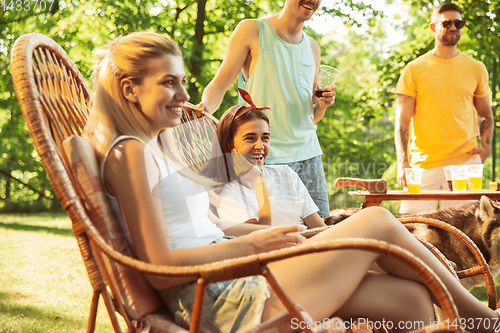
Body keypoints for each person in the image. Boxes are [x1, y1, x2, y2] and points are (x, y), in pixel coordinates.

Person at [83, 31, 500, 333]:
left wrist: (276, 235)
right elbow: (158, 270)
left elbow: (195, 231)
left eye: (183, 81)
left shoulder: (152, 148)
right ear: (129, 89)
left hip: (235, 269)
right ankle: (486, 321)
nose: (182, 93)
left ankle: (467, 316)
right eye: (168, 82)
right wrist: (251, 245)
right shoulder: (130, 152)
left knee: (412, 305)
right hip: (218, 296)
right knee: (376, 223)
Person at [198, 0, 335, 218]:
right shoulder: (252, 30)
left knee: (323, 232)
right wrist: (204, 108)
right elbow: (219, 84)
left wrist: (323, 104)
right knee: (276, 234)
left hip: (309, 157)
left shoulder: (312, 47)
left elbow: (313, 116)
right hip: (265, 155)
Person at [395, 2, 493, 214]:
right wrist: (403, 161)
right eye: (446, 23)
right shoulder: (414, 69)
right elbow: (402, 121)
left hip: (465, 164)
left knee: (464, 235)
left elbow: (485, 114)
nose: (453, 28)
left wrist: (486, 147)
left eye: (458, 23)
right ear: (433, 27)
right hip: (423, 165)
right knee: (412, 228)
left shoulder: (476, 68)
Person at [202, 88, 327, 230]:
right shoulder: (225, 193)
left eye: (265, 138)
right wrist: (258, 181)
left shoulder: (285, 173)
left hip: (314, 243)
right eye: (250, 138)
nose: (260, 146)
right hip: (290, 250)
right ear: (230, 143)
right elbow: (262, 238)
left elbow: (318, 227)